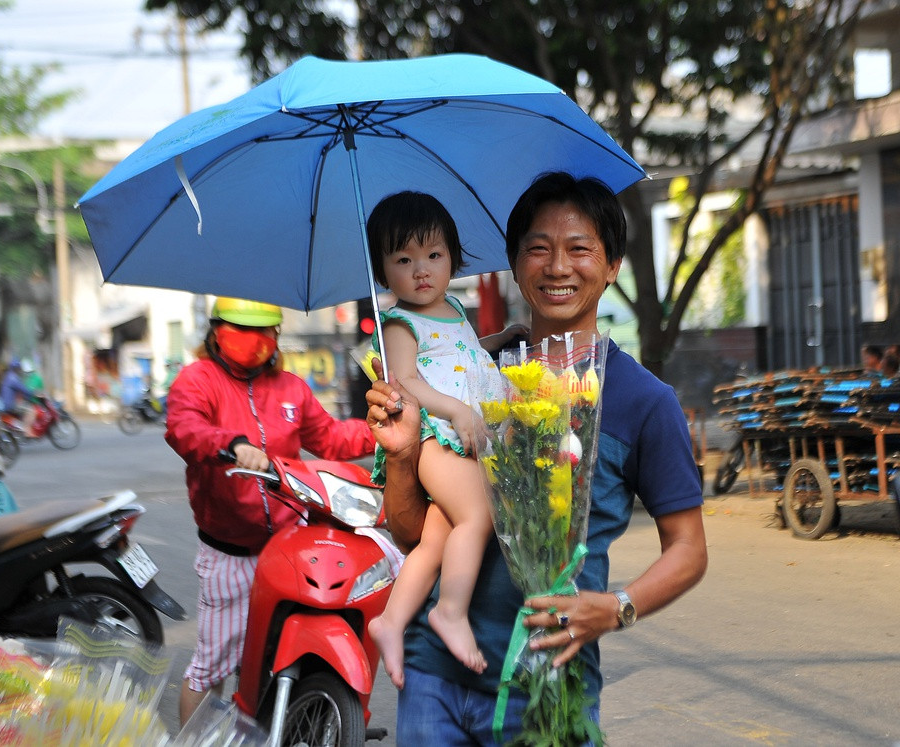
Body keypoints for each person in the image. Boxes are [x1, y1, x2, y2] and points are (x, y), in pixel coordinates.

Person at [366, 172, 708, 743]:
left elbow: (690, 549)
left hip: (550, 688)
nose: (557, 267)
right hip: (432, 678)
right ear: (514, 262)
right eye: (538, 249)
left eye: (579, 249)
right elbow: (410, 535)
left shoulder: (643, 400)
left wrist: (617, 607)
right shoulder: (470, 375)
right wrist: (402, 459)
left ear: (613, 264)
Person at [165, 297, 378, 726]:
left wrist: (379, 430)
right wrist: (233, 446)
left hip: (289, 546)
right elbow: (185, 428)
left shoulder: (291, 388)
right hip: (229, 553)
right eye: (243, 330)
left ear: (277, 336)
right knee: (212, 666)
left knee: (284, 647)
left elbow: (332, 439)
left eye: (265, 332)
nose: (255, 341)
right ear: (217, 331)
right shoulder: (197, 380)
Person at [363, 191, 524, 688]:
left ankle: (390, 621)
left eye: (433, 255)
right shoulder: (398, 324)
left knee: (437, 536)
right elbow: (408, 381)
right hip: (435, 438)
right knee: (480, 514)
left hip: (462, 436)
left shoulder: (452, 305)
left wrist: (503, 352)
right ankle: (450, 612)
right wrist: (457, 411)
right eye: (403, 259)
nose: (421, 270)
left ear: (453, 255)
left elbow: (465, 357)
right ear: (382, 270)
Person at [0, 358, 38, 436]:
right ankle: (27, 431)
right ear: (17, 368)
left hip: (5, 404)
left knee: (23, 406)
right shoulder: (13, 378)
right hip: (10, 405)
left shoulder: (8, 376)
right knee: (32, 411)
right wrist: (32, 394)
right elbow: (23, 389)